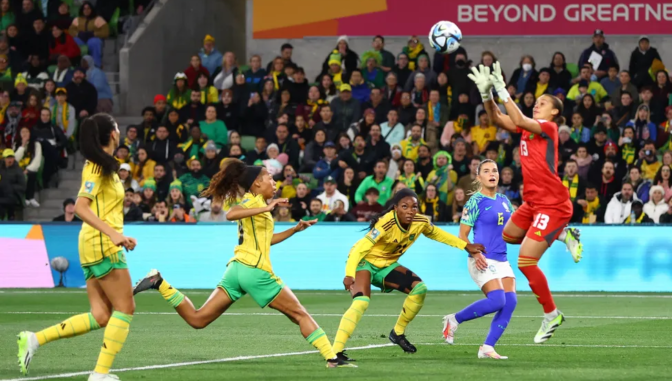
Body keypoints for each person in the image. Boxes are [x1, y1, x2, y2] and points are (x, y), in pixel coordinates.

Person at [133, 160, 352, 368]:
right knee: (300, 314)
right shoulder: (253, 202)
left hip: (236, 270)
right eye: (270, 178)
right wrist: (266, 208)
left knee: (198, 319)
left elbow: (267, 240)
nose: (274, 183)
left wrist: (294, 230)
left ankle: (159, 282)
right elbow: (231, 213)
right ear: (257, 182)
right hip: (255, 271)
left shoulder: (257, 205)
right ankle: (332, 358)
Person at [17, 114, 137, 381]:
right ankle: (99, 374)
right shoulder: (96, 165)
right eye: (117, 127)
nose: (120, 130)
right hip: (101, 242)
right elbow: (81, 208)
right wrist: (114, 235)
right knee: (125, 308)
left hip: (94, 242)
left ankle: (34, 339)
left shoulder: (105, 165)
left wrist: (118, 235)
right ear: (113, 134)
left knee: (102, 315)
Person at [470, 62, 583, 343]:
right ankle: (563, 234)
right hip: (532, 203)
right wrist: (487, 95)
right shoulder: (527, 130)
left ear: (554, 112)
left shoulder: (549, 128)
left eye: (543, 102)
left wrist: (501, 89)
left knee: (526, 260)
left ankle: (551, 314)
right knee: (508, 236)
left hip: (552, 204)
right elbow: (497, 119)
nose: (538, 104)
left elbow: (518, 119)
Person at [332, 188, 485, 360]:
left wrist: (466, 246)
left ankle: (397, 333)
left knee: (419, 289)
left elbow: (438, 234)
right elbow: (360, 249)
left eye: (414, 207)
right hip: (363, 262)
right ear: (395, 208)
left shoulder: (420, 222)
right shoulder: (386, 223)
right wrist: (349, 274)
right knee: (361, 302)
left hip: (386, 266)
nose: (410, 211)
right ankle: (336, 352)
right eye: (405, 206)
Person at [443, 159, 517, 360]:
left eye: (494, 170)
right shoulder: (474, 201)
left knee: (510, 301)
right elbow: (462, 235)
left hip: (502, 259)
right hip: (482, 259)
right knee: (497, 299)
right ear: (479, 177)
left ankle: (487, 347)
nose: (492, 174)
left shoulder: (504, 200)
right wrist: (475, 254)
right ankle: (454, 320)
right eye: (486, 171)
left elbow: (512, 230)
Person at [69, 1, 109, 68]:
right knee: (73, 41)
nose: (86, 10)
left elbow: (105, 32)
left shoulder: (98, 19)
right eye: (84, 9)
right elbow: (71, 30)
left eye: (88, 8)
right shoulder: (77, 19)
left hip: (93, 38)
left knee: (94, 42)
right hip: (81, 38)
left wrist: (93, 34)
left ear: (92, 9)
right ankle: (76, 64)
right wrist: (78, 34)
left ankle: (96, 65)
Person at [14, 126, 42, 207]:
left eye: (27, 132)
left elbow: (37, 159)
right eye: (23, 132)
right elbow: (15, 159)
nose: (25, 134)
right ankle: (21, 198)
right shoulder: (16, 144)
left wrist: (27, 169)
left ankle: (30, 197)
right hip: (18, 168)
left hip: (30, 168)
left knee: (31, 174)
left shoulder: (36, 144)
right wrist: (22, 145)